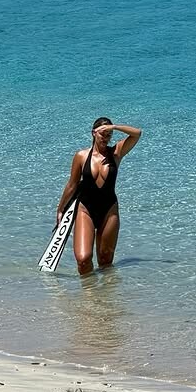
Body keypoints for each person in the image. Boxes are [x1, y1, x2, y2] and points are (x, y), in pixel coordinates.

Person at [55, 116, 142, 275]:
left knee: (105, 259)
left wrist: (114, 127)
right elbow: (72, 185)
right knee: (83, 259)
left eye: (109, 135)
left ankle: (104, 291)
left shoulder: (115, 153)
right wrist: (61, 209)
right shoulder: (81, 156)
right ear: (93, 133)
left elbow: (137, 133)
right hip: (85, 210)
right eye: (103, 133)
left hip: (109, 210)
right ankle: (88, 289)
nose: (106, 138)